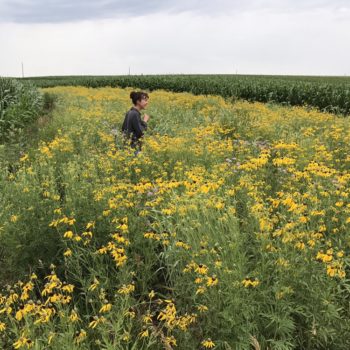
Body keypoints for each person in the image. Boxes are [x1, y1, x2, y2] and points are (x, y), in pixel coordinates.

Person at [121, 91, 150, 155]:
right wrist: (145, 121)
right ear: (138, 101)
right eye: (145, 100)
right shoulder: (135, 114)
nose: (147, 102)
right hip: (133, 149)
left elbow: (123, 129)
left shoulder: (130, 112)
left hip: (128, 148)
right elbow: (141, 132)